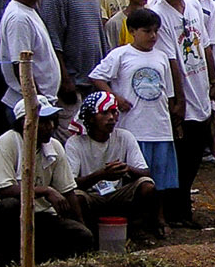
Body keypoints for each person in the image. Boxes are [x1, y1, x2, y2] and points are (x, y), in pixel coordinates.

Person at [88, 6, 178, 235]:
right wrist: (115, 98)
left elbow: (167, 92)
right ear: (133, 31)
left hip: (159, 126)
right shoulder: (121, 55)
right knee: (135, 178)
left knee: (161, 177)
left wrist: (173, 119)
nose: (153, 36)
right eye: (147, 31)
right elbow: (97, 77)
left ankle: (160, 218)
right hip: (134, 127)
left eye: (156, 31)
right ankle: (136, 220)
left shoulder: (161, 57)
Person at [150, 0, 215, 229]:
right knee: (180, 152)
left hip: (200, 83)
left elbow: (204, 43)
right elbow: (170, 60)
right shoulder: (158, 10)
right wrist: (177, 99)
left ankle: (183, 207)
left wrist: (214, 79)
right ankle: (175, 209)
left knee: (196, 149)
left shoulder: (192, 5)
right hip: (180, 89)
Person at [0, 94, 95, 261]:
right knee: (10, 206)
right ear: (25, 123)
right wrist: (45, 190)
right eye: (43, 121)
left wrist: (82, 225)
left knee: (81, 236)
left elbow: (68, 191)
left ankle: (43, 259)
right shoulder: (8, 142)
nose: (50, 126)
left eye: (52, 120)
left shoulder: (54, 146)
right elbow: (5, 190)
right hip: (12, 220)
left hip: (42, 216)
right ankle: (4, 259)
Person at [64, 91, 160, 240]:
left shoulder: (124, 136)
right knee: (76, 197)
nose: (111, 118)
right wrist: (100, 175)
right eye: (104, 113)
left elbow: (146, 173)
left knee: (147, 186)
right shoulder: (75, 143)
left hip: (118, 192)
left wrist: (127, 168)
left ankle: (138, 227)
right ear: (90, 118)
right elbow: (70, 184)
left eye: (114, 112)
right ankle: (88, 233)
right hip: (91, 195)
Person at [40, 0, 105, 136]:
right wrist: (65, 80)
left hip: (93, 85)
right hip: (73, 88)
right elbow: (53, 40)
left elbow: (99, 37)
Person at [0, 0, 61, 114]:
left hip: (43, 101)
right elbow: (20, 66)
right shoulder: (19, 17)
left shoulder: (29, 10)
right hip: (28, 105)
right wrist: (36, 102)